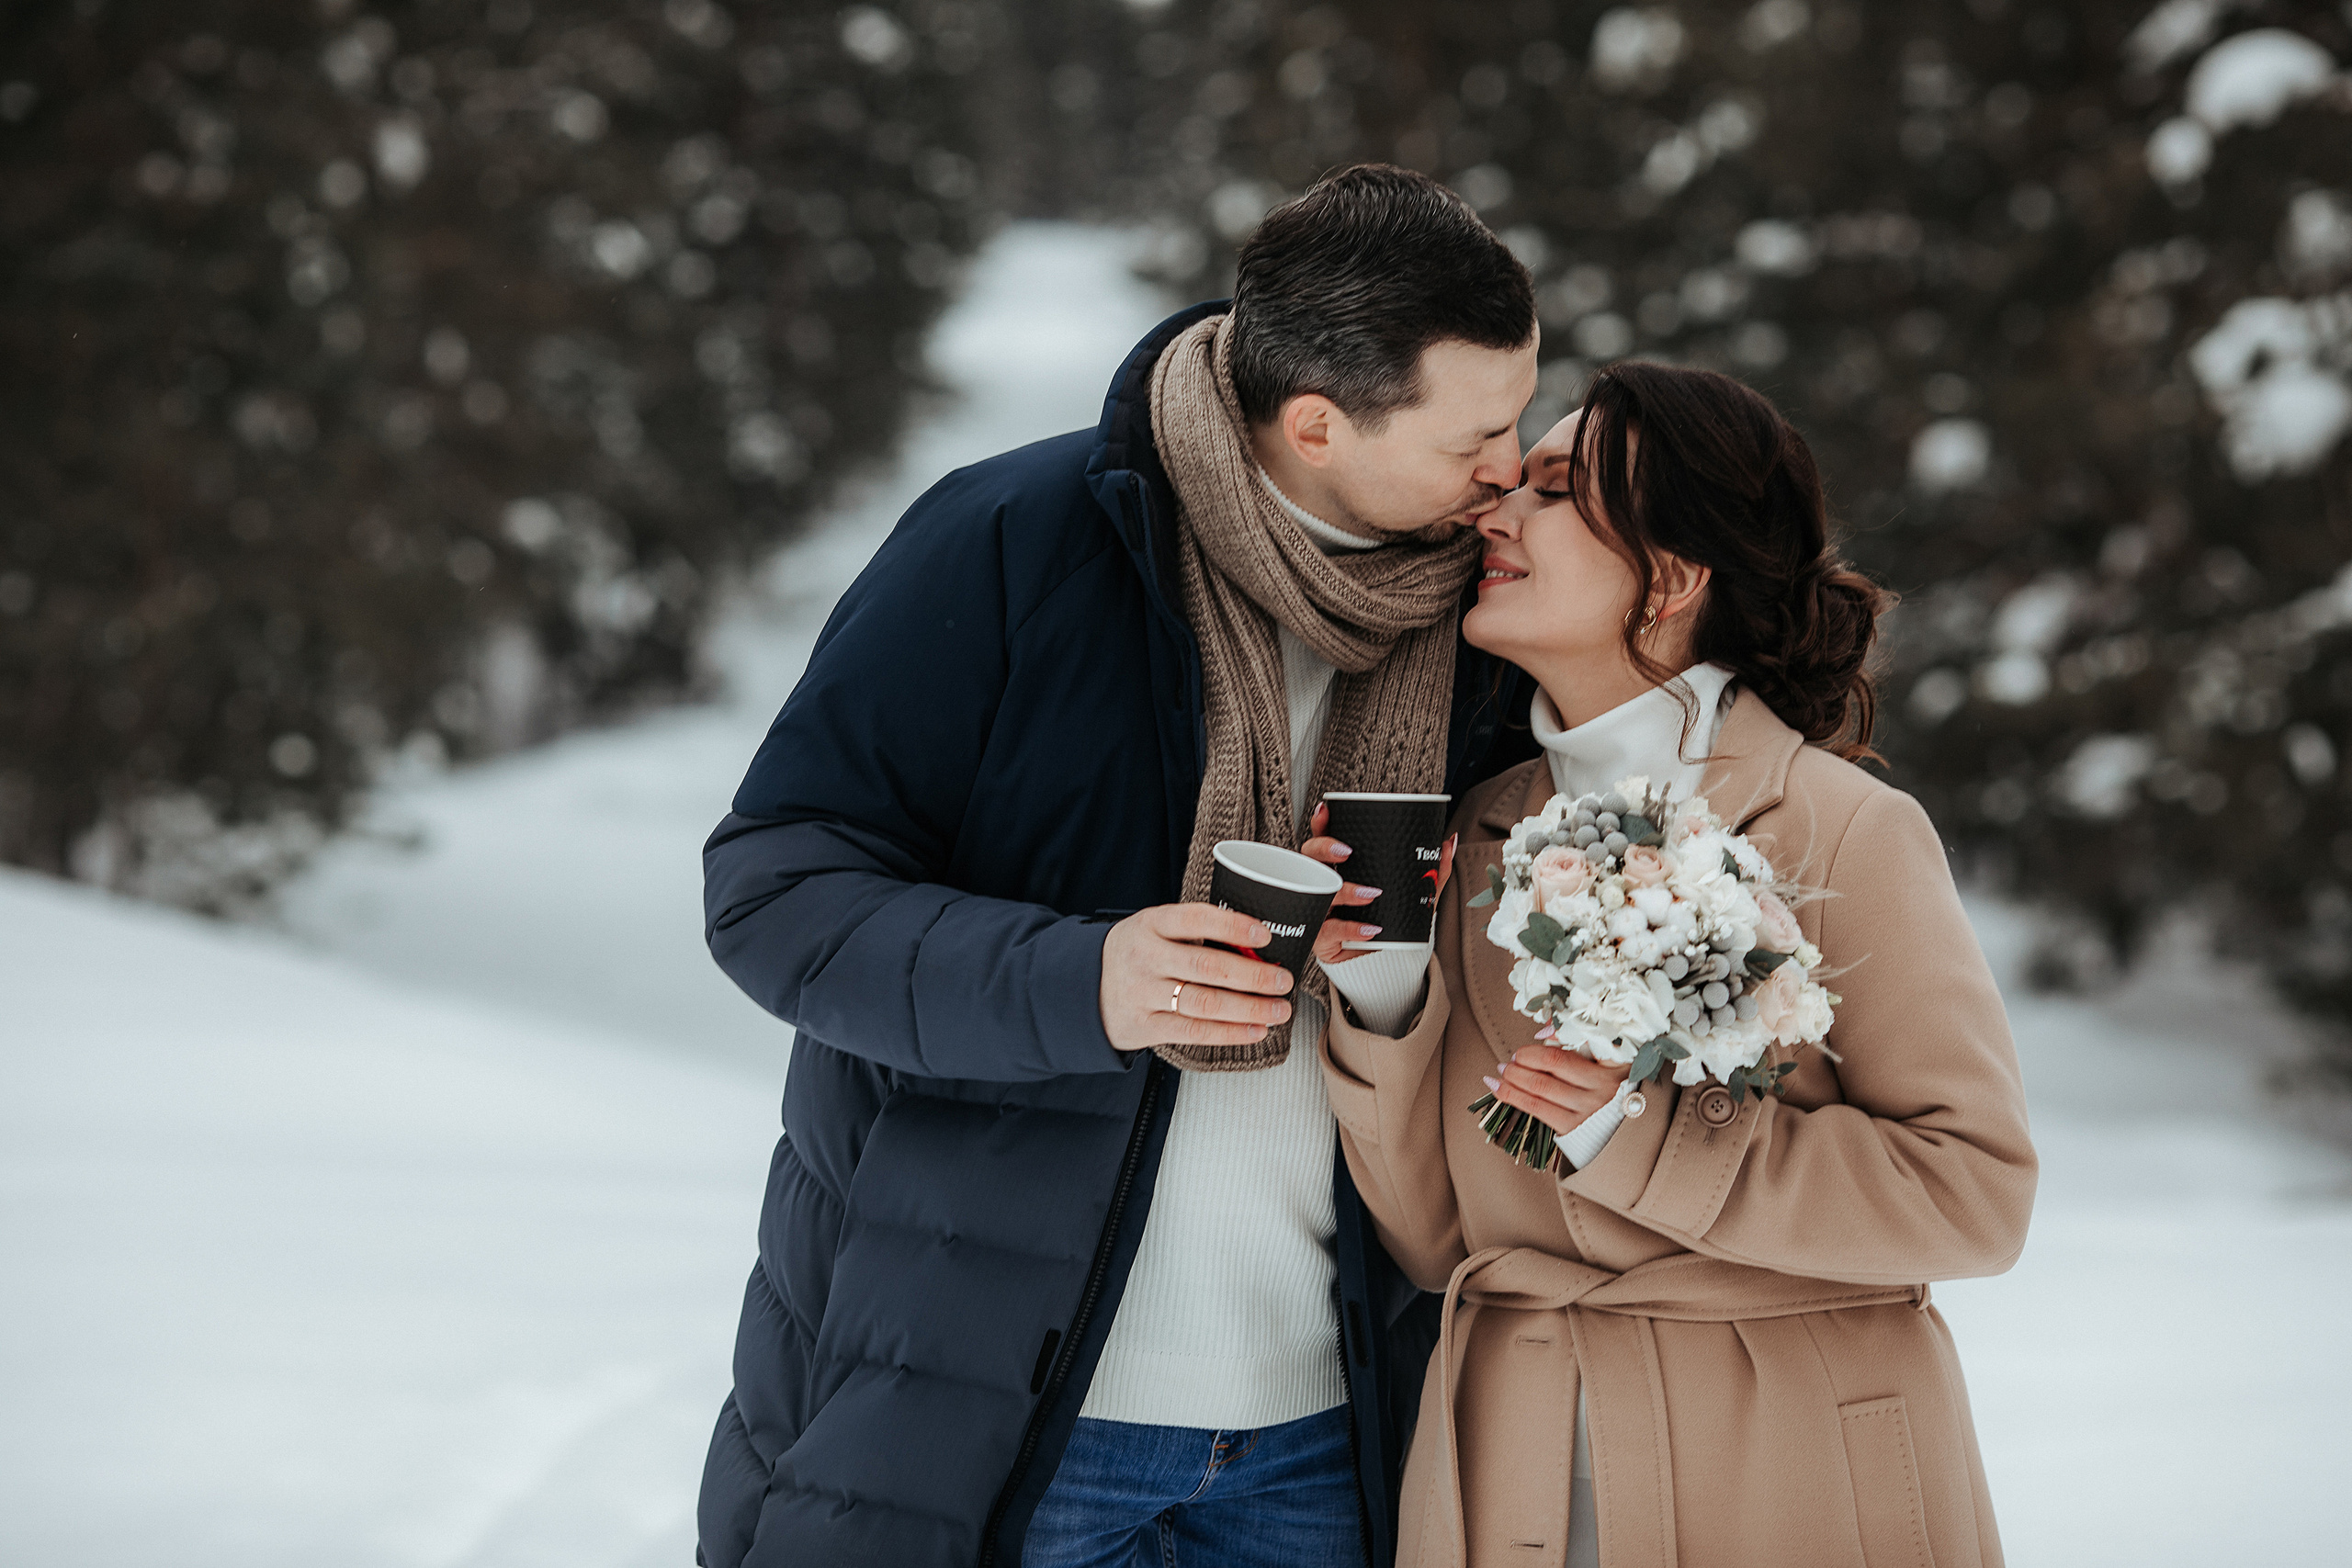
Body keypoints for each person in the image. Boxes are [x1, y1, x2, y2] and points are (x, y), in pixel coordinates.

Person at [695, 164, 1542, 1568]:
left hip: (1334, 1431)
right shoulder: (1013, 545)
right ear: (1319, 423)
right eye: (1480, 435)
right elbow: (776, 891)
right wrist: (1081, 979)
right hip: (991, 1410)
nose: (1508, 470)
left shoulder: (1488, 620)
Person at [1310, 363, 2039, 1568]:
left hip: (1791, 1459)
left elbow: (1973, 1194)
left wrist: (1636, 1139)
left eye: (1554, 488)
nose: (1496, 508)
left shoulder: (1837, 826)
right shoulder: (1476, 827)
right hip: (1518, 1458)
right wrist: (1385, 999)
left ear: (1675, 575)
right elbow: (1440, 1244)